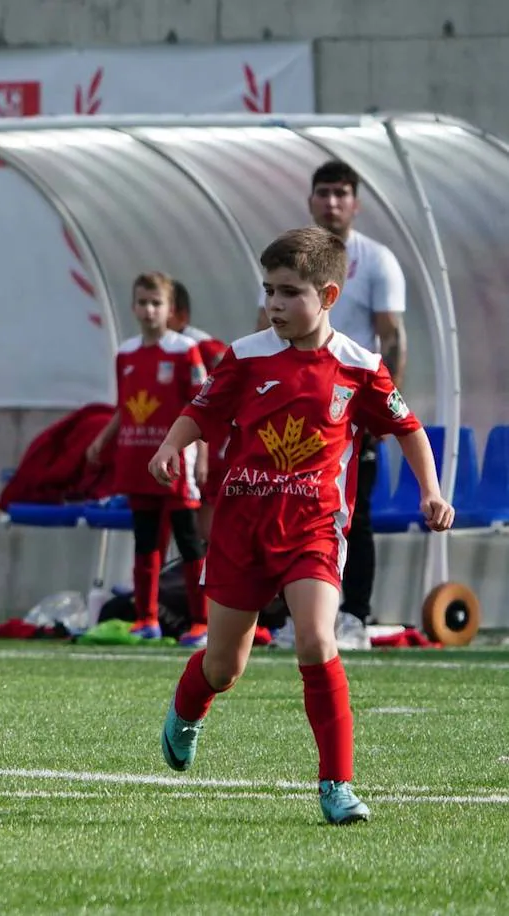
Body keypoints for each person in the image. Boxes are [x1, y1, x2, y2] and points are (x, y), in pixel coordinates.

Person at [152, 226, 452, 825]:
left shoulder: (360, 368)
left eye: (289, 292)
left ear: (329, 296)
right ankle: (186, 715)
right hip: (242, 527)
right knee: (224, 666)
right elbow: (201, 410)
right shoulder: (245, 355)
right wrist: (168, 448)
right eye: (269, 291)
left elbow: (408, 428)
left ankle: (336, 786)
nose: (275, 304)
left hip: (313, 528)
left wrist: (432, 491)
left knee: (317, 640)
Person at [256, 161, 408, 625]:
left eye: (341, 193)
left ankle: (355, 616)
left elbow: (392, 337)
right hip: (292, 404)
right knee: (278, 503)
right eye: (324, 193)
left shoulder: (377, 259)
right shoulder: (286, 258)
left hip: (348, 405)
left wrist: (382, 409)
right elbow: (265, 328)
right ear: (310, 201)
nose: (332, 202)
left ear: (355, 204)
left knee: (352, 514)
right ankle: (285, 615)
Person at [86, 272, 209, 645]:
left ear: (171, 310)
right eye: (142, 302)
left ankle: (201, 621)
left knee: (188, 540)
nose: (148, 310)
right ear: (133, 306)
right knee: (145, 541)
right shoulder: (125, 353)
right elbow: (126, 408)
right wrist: (102, 440)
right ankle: (146, 617)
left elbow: (203, 406)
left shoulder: (184, 351)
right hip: (138, 461)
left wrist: (202, 456)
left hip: (176, 465)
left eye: (156, 303)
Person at [168, 280, 229, 543]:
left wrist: (206, 450)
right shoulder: (145, 350)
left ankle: (208, 569)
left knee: (205, 518)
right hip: (180, 444)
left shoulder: (202, 347)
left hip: (210, 445)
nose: (149, 313)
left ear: (180, 315)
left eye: (158, 305)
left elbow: (216, 402)